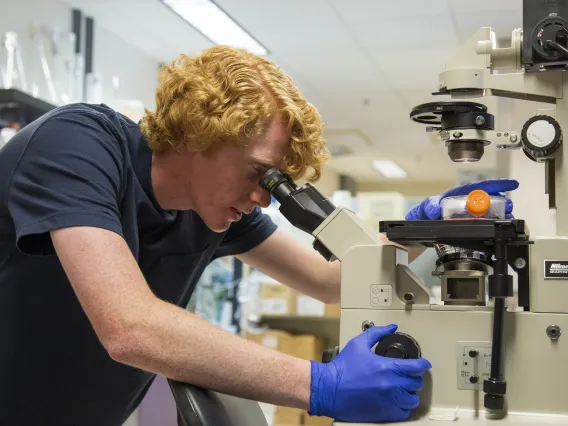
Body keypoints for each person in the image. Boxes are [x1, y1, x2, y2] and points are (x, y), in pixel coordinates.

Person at [0, 45, 516, 426]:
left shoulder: (212, 209)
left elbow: (333, 281)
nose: (265, 196)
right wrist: (322, 384)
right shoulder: (75, 146)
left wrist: (423, 227)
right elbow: (130, 327)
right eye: (258, 173)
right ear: (201, 133)